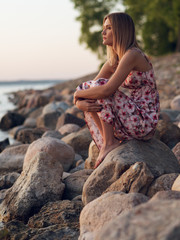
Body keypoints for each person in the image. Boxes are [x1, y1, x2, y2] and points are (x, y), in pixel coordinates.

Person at [73, 12, 160, 169]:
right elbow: (91, 87)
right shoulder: (114, 60)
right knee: (89, 87)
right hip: (131, 118)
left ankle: (109, 142)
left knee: (100, 86)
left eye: (108, 28)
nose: (103, 32)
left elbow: (106, 90)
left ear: (120, 31)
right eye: (103, 28)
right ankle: (109, 140)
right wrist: (80, 103)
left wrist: (77, 95)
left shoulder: (133, 54)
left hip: (144, 120)